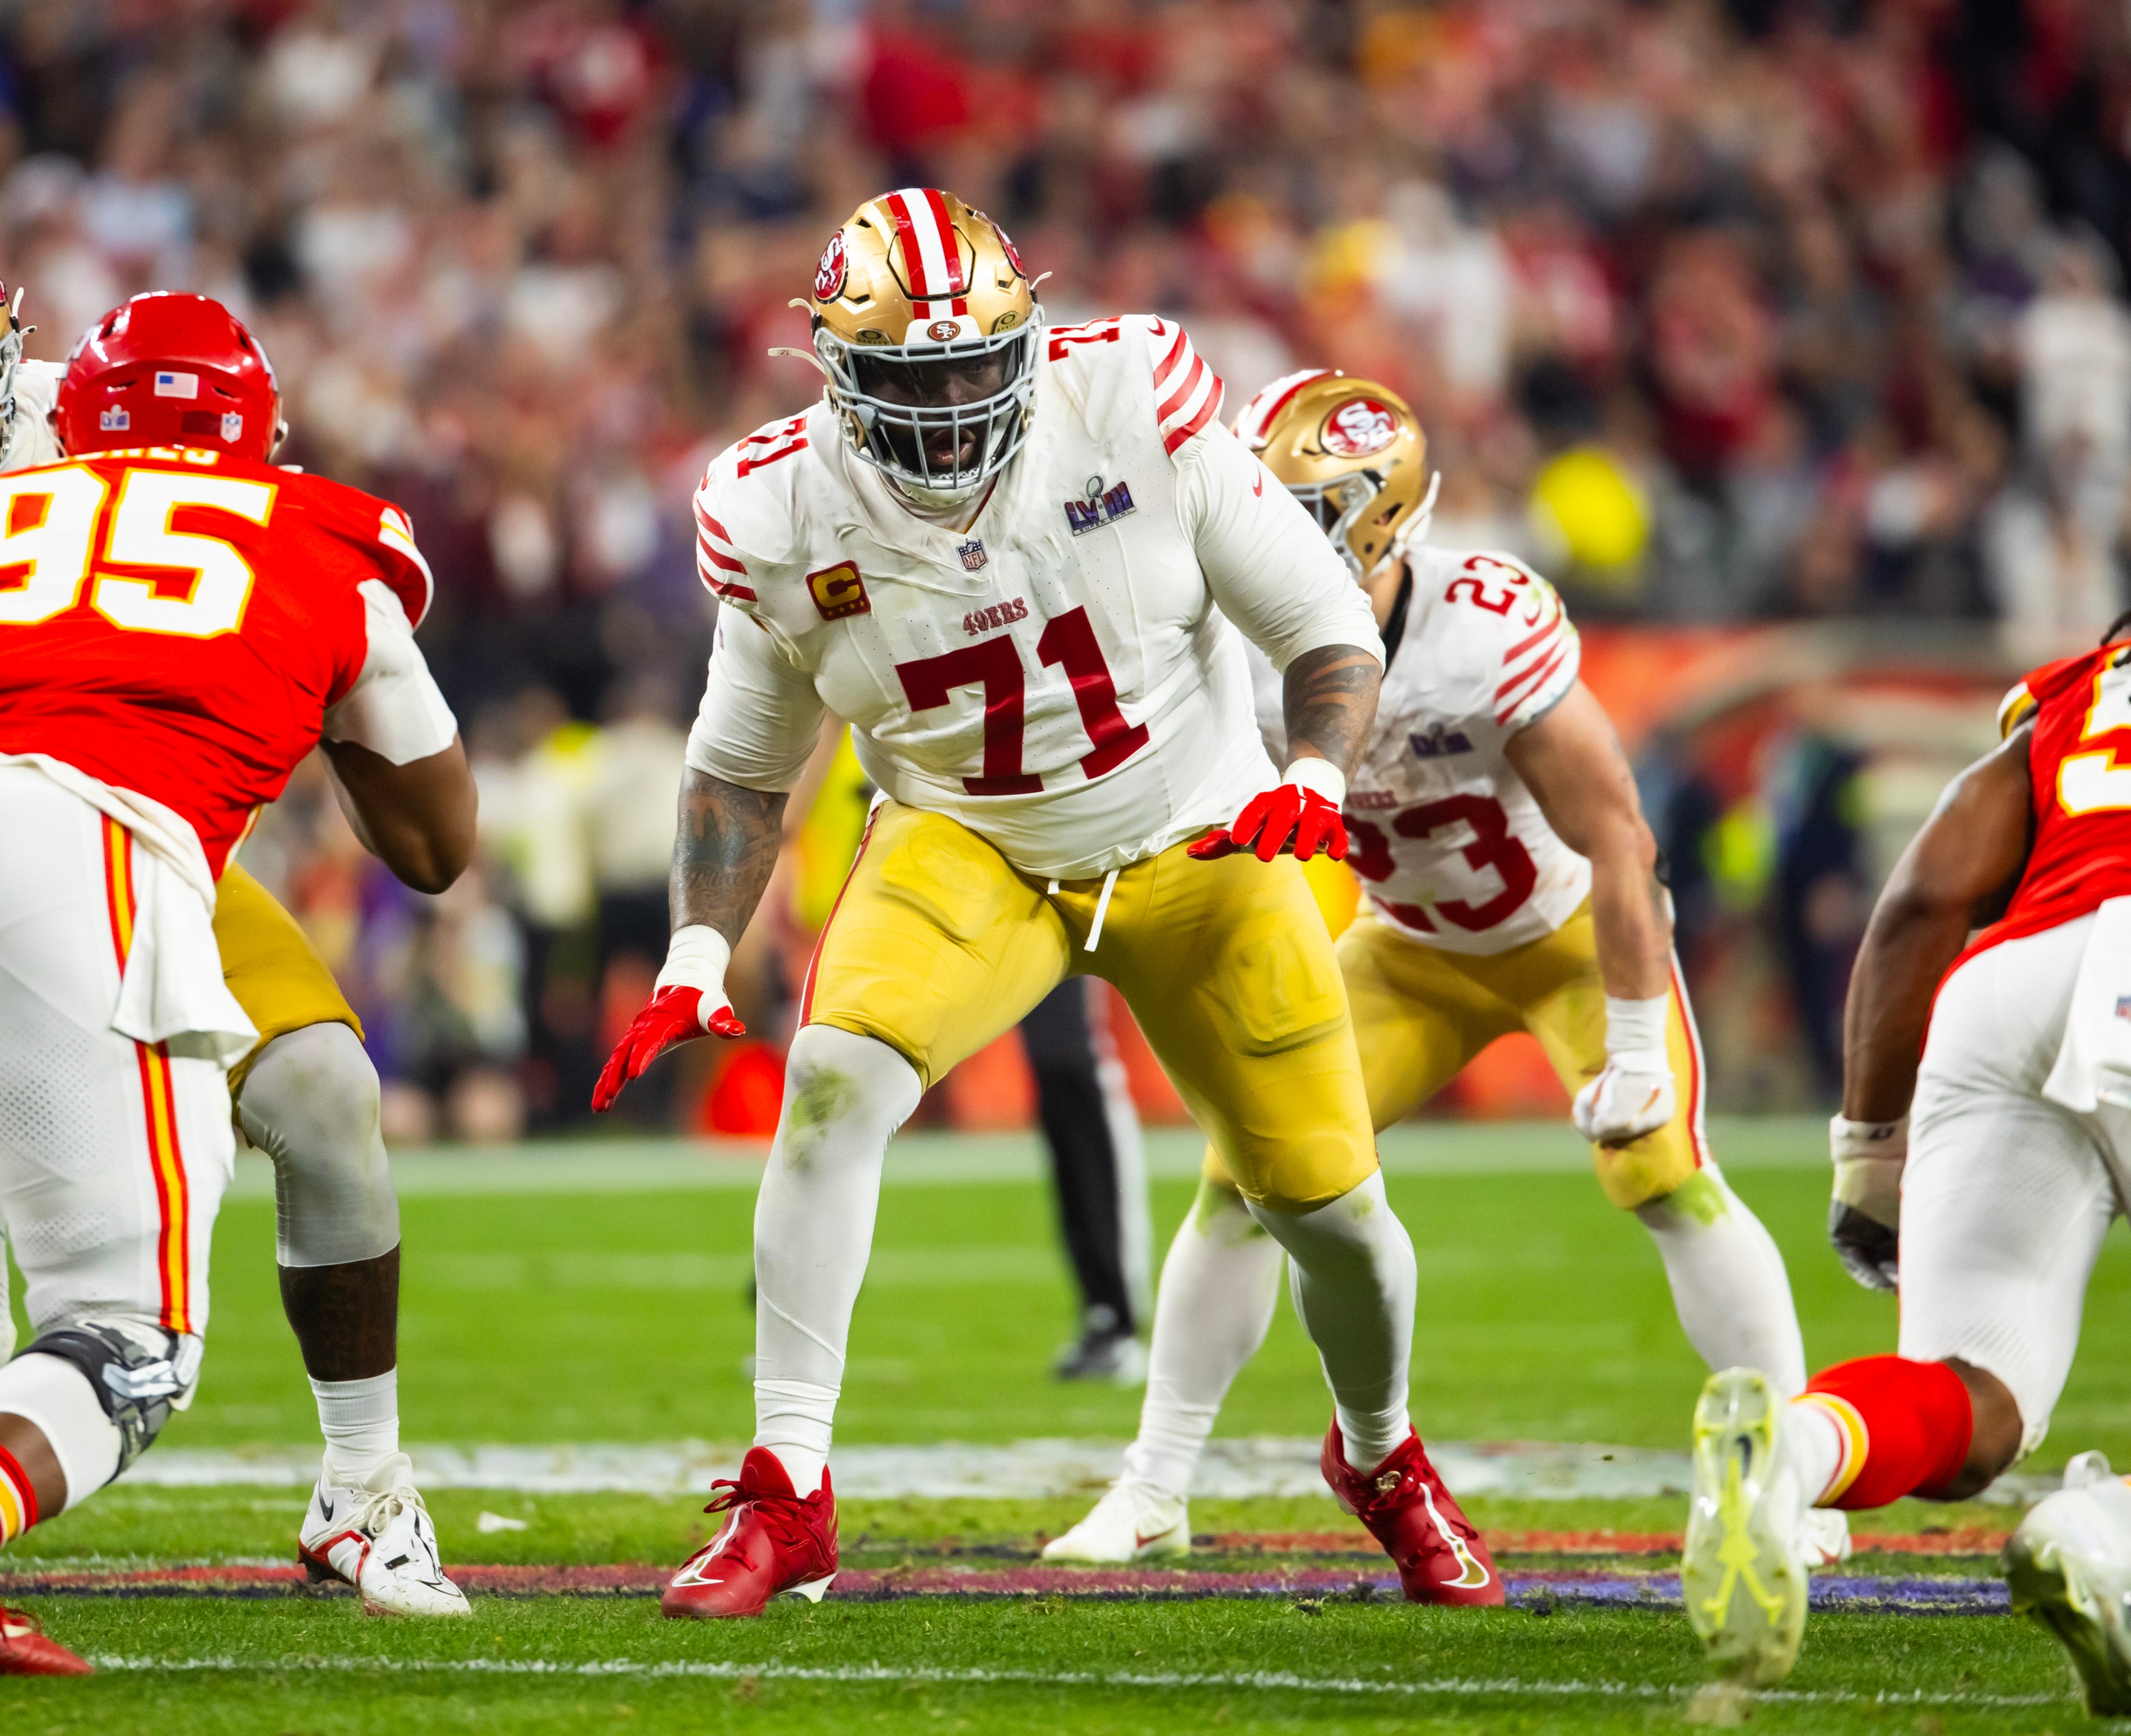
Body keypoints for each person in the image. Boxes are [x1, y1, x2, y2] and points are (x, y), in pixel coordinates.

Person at [592, 187, 1496, 1616]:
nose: (951, 410)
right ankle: (786, 1492)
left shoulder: (1132, 399)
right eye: (912, 378)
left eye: (972, 369)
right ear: (835, 367)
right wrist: (696, 946)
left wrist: (1314, 767)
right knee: (828, 1080)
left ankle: (1379, 1454)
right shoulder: (775, 509)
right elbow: (740, 766)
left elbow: (1320, 623)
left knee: (1331, 1214)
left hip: (1196, 838)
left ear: (1027, 341)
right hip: (972, 846)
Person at [0, 288, 477, 1674]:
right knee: (129, 1337)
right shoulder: (320, 532)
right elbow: (437, 848)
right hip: (80, 853)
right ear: (262, 431)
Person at [1044, 372, 1809, 1564]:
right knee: (1243, 1180)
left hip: (1559, 944)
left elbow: (1616, 837)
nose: (1260, 524)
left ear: (1378, 515)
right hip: (1405, 951)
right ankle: (1153, 1488)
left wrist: (1623, 1041)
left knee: (1660, 1171)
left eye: (1298, 506)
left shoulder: (1482, 624)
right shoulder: (1233, 641)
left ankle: (1788, 1486)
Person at [1680, 468, 2131, 1718]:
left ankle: (1791, 1455)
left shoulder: (2090, 685)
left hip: (2008, 984)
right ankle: (2103, 1539)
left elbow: (1922, 897)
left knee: (1969, 1396)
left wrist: (1868, 1153)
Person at [788, 725, 1152, 1381]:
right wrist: (783, 829)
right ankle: (791, 1303)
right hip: (922, 842)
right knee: (841, 1063)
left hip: (1037, 840)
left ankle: (1110, 1310)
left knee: (1069, 1063)